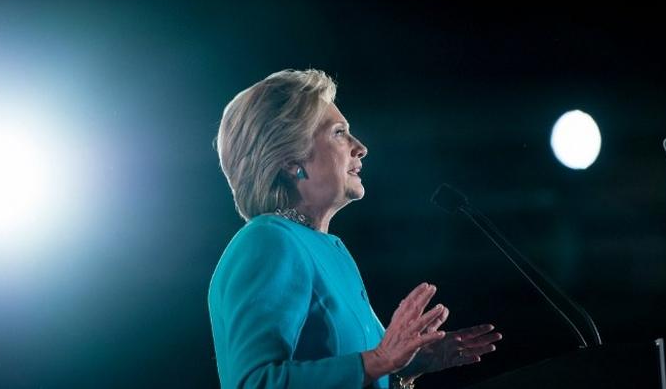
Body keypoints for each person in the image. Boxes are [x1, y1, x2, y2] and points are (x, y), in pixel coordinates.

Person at [208, 69, 501, 389]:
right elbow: (254, 383)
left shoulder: (329, 251)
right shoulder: (267, 241)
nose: (360, 147)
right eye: (338, 132)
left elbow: (358, 369)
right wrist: (380, 361)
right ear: (292, 160)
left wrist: (405, 369)